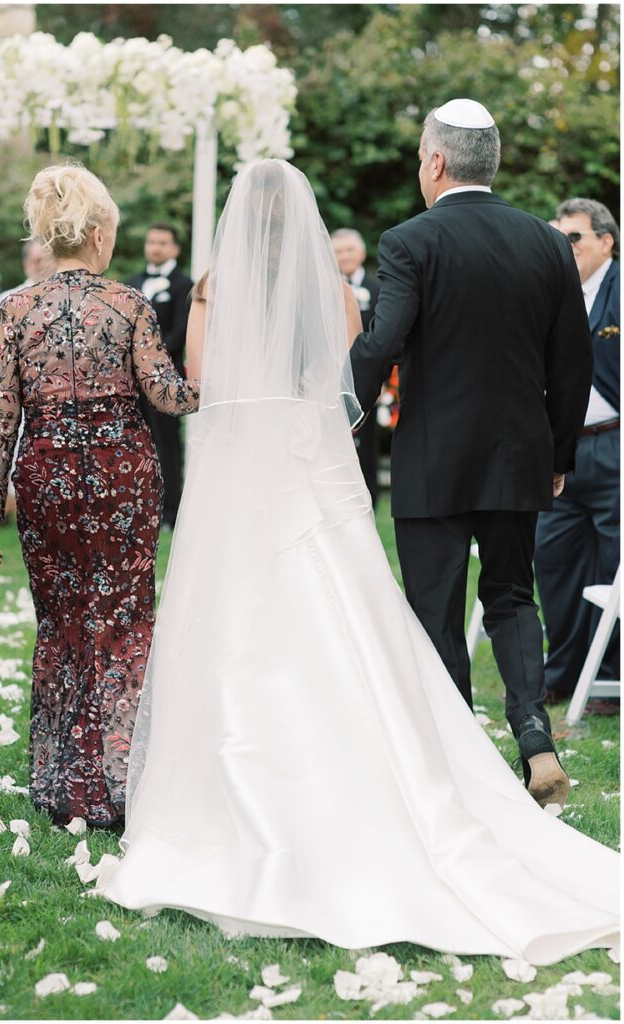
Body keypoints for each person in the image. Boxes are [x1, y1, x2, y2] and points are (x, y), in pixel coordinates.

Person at [97, 157, 618, 966]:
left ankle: (235, 786)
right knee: (361, 611)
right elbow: (354, 372)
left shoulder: (210, 290)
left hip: (242, 473)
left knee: (238, 620)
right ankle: (483, 741)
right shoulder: (334, 289)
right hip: (315, 464)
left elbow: (202, 381)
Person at [350, 99, 593, 806]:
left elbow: (381, 342)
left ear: (435, 161)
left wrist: (336, 409)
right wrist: (557, 454)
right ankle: (534, 737)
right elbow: (572, 362)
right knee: (514, 597)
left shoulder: (409, 242)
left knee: (436, 607)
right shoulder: (547, 243)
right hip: (520, 455)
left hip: (434, 460)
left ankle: (460, 762)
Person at [0, 164, 200, 827]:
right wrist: (222, 383)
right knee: (126, 620)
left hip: (45, 480)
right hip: (123, 475)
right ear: (98, 234)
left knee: (62, 622)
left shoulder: (14, 308)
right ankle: (125, 779)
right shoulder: (129, 304)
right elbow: (165, 393)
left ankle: (61, 786)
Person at [535, 198, 620, 704]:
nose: (566, 247)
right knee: (554, 556)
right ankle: (562, 671)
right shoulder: (555, 292)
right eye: (560, 237)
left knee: (615, 562)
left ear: (606, 241)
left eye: (576, 238)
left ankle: (609, 676)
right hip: (560, 449)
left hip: (613, 444)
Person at [128, 224, 194, 528]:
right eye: (151, 241)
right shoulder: (133, 283)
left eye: (162, 242)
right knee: (136, 443)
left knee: (167, 444)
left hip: (167, 380)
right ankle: (140, 506)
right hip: (131, 381)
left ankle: (171, 510)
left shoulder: (184, 286)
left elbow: (182, 331)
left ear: (175, 249)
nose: (155, 247)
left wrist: (150, 359)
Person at [331, 227, 382, 507]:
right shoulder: (323, 289)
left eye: (349, 250)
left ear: (361, 253)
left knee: (368, 439)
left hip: (366, 375)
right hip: (330, 374)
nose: (345, 256)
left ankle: (369, 500)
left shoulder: (378, 288)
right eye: (338, 251)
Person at [0, 238, 58, 340]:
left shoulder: (65, 296)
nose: (44, 265)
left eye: (48, 260)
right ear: (26, 265)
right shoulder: (8, 301)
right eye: (38, 261)